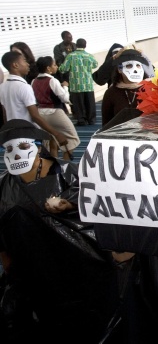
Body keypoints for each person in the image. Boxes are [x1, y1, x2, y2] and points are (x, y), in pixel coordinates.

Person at [0, 119, 117, 343]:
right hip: (37, 274)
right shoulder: (4, 186)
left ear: (38, 147)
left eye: (22, 146)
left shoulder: (69, 174)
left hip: (81, 267)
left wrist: (70, 203)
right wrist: (11, 269)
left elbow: (99, 204)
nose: (16, 154)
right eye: (9, 149)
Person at [0, 51, 67, 148]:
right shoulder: (24, 87)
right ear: (15, 65)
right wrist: (56, 134)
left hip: (12, 132)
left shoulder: (2, 87)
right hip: (27, 132)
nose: (28, 64)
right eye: (24, 61)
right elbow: (35, 116)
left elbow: (4, 113)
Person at [31, 56, 80, 160]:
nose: (56, 66)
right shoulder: (52, 81)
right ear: (48, 68)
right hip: (55, 113)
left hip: (41, 114)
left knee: (51, 140)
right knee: (72, 139)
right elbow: (65, 98)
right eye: (54, 65)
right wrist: (65, 87)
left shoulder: (33, 81)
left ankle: (53, 166)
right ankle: (66, 165)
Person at [100, 48, 151, 128]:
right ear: (120, 69)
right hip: (120, 134)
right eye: (129, 66)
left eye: (138, 65)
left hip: (146, 133)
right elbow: (106, 123)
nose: (135, 70)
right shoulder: (111, 93)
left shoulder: (150, 89)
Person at [58, 38, 98, 126]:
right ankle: (91, 120)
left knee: (78, 104)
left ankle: (81, 120)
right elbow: (95, 64)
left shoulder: (71, 56)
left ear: (76, 45)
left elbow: (64, 69)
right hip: (88, 84)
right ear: (85, 45)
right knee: (90, 103)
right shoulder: (90, 56)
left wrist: (59, 66)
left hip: (75, 84)